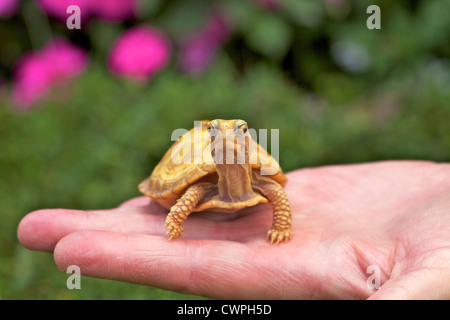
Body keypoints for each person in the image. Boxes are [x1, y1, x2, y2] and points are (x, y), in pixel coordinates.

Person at [17, 161, 450, 299]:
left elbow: (278, 196)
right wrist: (175, 214)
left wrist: (282, 223)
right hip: (198, 188)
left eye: (239, 136)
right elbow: (189, 196)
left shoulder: (259, 179)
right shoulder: (205, 183)